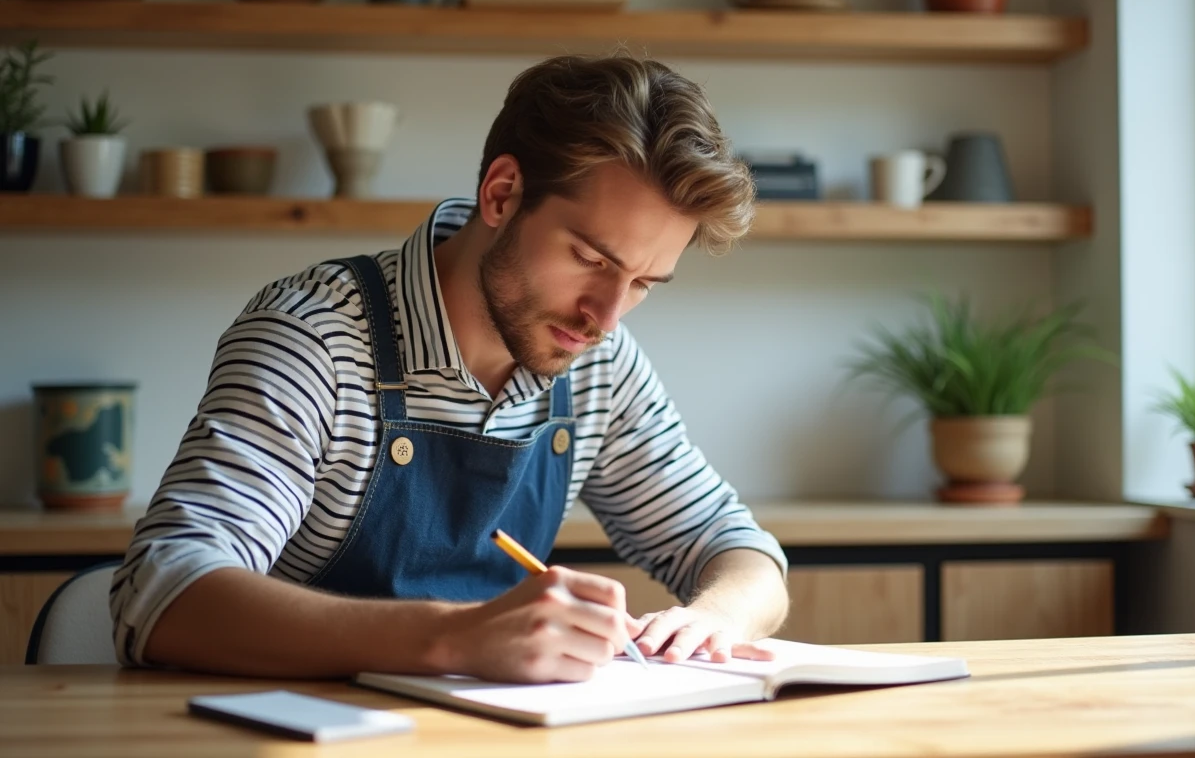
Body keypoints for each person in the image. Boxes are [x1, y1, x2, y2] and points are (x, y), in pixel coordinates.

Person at [110, 52, 789, 683]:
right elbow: (165, 591)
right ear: (501, 194)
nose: (606, 316)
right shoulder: (315, 338)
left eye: (643, 283)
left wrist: (714, 619)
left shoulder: (599, 366)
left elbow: (737, 549)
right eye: (591, 259)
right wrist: (451, 638)